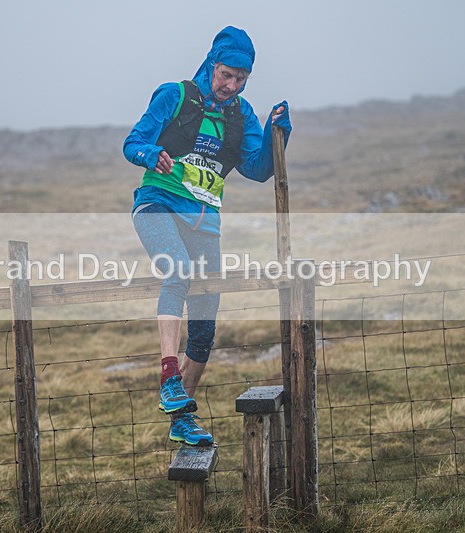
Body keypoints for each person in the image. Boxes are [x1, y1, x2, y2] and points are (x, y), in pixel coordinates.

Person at [123, 26, 291, 446]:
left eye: (240, 79)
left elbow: (258, 169)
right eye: (226, 75)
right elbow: (133, 142)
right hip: (158, 203)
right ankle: (168, 379)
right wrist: (149, 154)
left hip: (205, 223)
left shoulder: (241, 115)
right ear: (211, 64)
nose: (230, 86)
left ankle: (181, 417)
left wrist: (279, 135)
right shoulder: (175, 96)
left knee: (204, 331)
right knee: (176, 272)